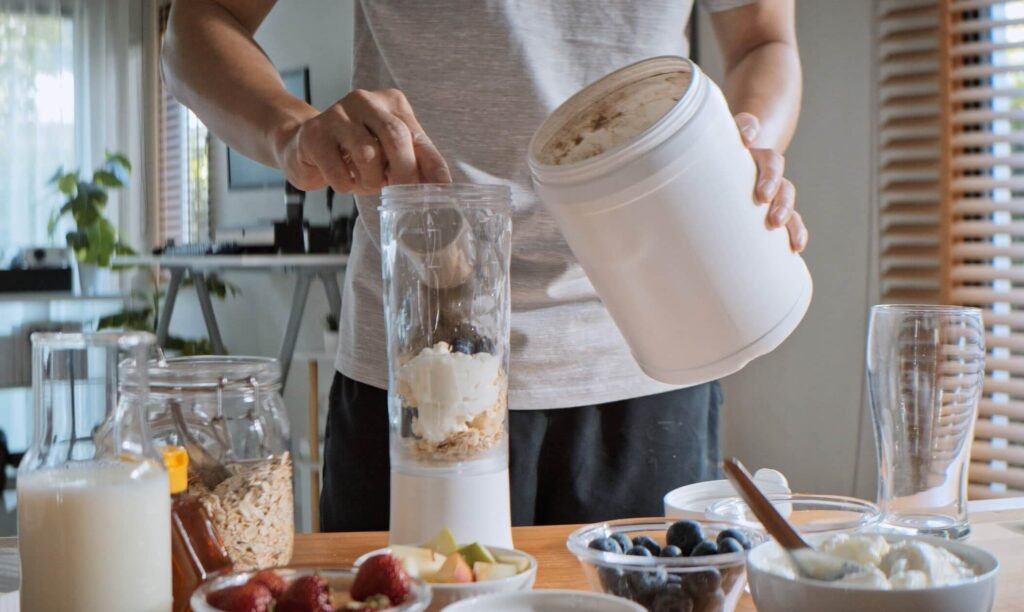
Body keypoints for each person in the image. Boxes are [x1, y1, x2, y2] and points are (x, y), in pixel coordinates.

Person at [163, 0, 805, 530]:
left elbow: (763, 39)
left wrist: (740, 148)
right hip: (415, 367)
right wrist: (290, 133)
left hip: (651, 354)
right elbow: (196, 23)